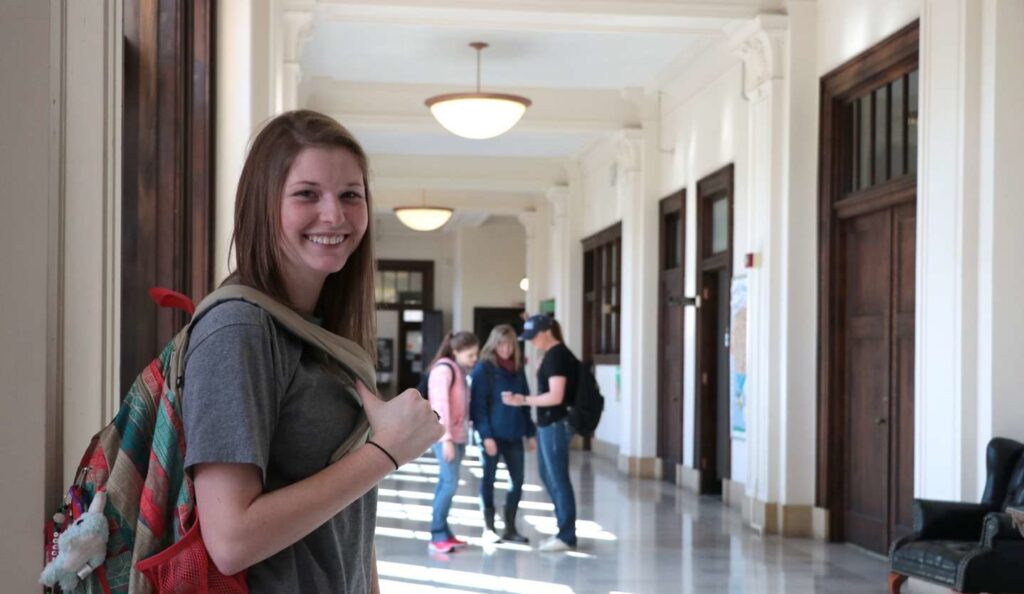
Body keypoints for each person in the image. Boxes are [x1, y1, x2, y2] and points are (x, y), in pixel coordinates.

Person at [182, 110, 443, 593]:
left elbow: (347, 519)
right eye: (307, 194)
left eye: (351, 195)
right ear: (263, 204)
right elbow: (231, 539)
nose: (335, 215)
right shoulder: (237, 330)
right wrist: (385, 452)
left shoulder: (320, 329)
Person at [503, 315, 578, 552]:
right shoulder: (552, 356)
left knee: (557, 478)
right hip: (549, 423)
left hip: (555, 424)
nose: (532, 342)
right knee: (549, 476)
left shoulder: (556, 356)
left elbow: (555, 396)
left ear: (547, 331)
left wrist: (522, 400)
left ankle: (567, 535)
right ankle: (563, 531)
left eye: (534, 336)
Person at [470, 324, 536, 544]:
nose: (506, 349)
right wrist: (486, 436)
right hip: (491, 436)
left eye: (510, 344)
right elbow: (478, 406)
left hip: (514, 435)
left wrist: (531, 433)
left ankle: (510, 527)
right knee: (488, 480)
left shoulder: (518, 369)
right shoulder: (484, 369)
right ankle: (488, 528)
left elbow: (524, 402)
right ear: (494, 344)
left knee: (517, 481)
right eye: (501, 344)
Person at [424, 331, 480, 553]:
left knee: (446, 483)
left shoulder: (457, 369)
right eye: (470, 355)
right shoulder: (444, 370)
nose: (475, 359)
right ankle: (437, 534)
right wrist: (445, 438)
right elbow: (440, 406)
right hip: (446, 438)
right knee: (449, 484)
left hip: (458, 436)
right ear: (456, 351)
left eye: (476, 354)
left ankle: (444, 532)